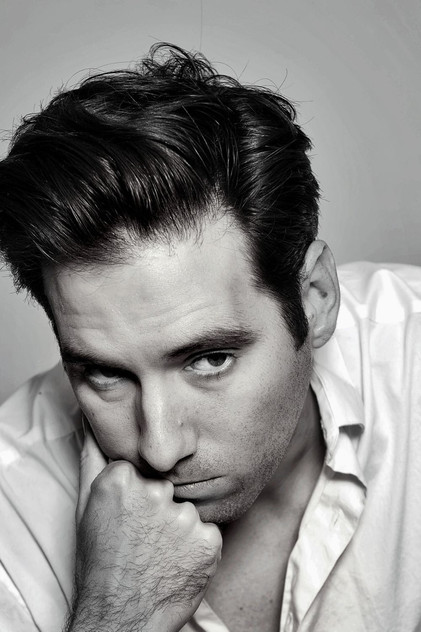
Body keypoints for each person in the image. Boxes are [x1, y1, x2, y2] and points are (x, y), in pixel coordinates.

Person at [0, 44, 420, 632]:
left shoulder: (411, 358)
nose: (160, 449)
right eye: (104, 374)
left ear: (315, 298)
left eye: (210, 359)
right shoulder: (11, 507)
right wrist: (121, 615)